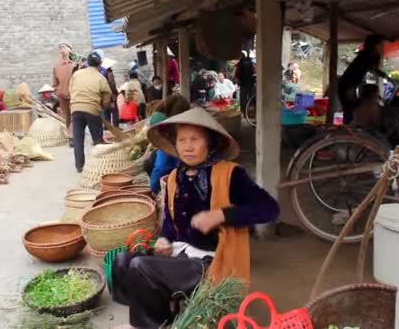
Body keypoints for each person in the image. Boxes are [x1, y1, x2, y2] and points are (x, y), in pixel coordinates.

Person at [112, 108, 279, 328]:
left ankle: (156, 324)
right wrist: (164, 239)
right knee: (122, 261)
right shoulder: (174, 177)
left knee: (141, 266)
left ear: (210, 143)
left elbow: (270, 209)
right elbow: (170, 224)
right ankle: (163, 312)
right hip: (180, 253)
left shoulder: (230, 174)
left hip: (210, 262)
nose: (187, 146)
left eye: (195, 139)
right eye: (182, 140)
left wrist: (220, 215)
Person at [68, 52, 111, 173]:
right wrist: (103, 106)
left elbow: (70, 90)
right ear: (100, 64)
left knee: (78, 139)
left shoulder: (76, 74)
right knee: (97, 139)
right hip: (92, 110)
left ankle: (79, 166)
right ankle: (99, 165)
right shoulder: (101, 77)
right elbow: (107, 95)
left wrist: (77, 100)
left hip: (76, 109)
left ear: (87, 63)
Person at [146, 94, 191, 193]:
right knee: (151, 160)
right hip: (180, 166)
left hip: (181, 172)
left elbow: (161, 167)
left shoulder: (173, 133)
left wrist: (152, 190)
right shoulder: (166, 124)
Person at [338, 35, 385, 124]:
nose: (382, 47)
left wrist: (383, 75)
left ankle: (349, 131)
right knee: (350, 112)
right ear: (375, 45)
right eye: (380, 45)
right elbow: (373, 67)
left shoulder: (365, 54)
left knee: (351, 110)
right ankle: (349, 133)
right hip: (348, 85)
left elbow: (373, 68)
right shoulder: (370, 55)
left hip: (347, 85)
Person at [53, 42, 75, 145]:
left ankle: (74, 135)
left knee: (75, 115)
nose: (62, 49)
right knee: (67, 116)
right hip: (63, 95)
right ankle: (71, 136)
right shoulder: (57, 66)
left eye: (64, 47)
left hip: (75, 94)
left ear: (70, 49)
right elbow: (55, 83)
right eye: (60, 47)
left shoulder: (75, 64)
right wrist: (59, 91)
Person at [235, 51, 256, 117]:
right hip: (250, 84)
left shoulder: (239, 64)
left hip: (243, 84)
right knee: (251, 98)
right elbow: (254, 72)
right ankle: (251, 113)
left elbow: (237, 74)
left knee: (243, 99)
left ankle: (244, 113)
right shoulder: (251, 63)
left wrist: (238, 82)